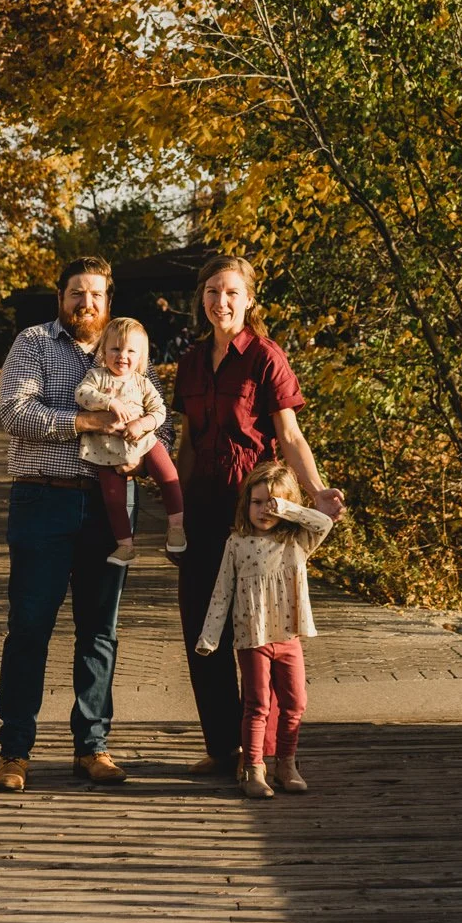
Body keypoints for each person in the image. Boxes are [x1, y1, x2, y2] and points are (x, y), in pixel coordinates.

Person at [0, 256, 163, 791]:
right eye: (75, 294)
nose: (85, 304)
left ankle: (92, 747)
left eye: (95, 295)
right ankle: (15, 752)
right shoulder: (34, 343)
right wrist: (87, 420)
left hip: (112, 505)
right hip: (44, 500)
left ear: (108, 299)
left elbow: (162, 418)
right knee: (29, 629)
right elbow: (15, 413)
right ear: (60, 299)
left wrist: (143, 451)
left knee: (99, 632)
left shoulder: (127, 344)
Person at [171, 253, 345, 775]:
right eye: (211, 292)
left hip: (255, 513)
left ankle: (263, 752)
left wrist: (316, 493)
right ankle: (222, 747)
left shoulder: (266, 356)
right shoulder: (192, 360)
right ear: (201, 299)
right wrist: (175, 509)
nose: (220, 302)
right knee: (204, 625)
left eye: (231, 293)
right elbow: (185, 441)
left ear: (249, 299)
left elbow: (288, 435)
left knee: (260, 628)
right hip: (202, 509)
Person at [194, 459, 334, 798]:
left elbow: (324, 522)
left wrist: (284, 507)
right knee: (257, 705)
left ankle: (286, 763)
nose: (263, 510)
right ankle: (254, 768)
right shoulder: (237, 543)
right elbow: (222, 592)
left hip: (288, 637)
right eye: (257, 502)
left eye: (271, 504)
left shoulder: (297, 541)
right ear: (246, 504)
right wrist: (209, 636)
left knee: (295, 702)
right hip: (252, 638)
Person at [75, 317, 186, 566]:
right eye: (115, 349)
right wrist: (109, 402)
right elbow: (81, 395)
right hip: (105, 450)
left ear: (140, 357)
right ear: (104, 351)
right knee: (113, 500)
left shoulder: (142, 381)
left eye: (130, 351)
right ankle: (125, 545)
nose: (122, 356)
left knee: (169, 477)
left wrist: (142, 424)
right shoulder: (96, 376)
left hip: (145, 443)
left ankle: (176, 525)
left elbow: (160, 412)